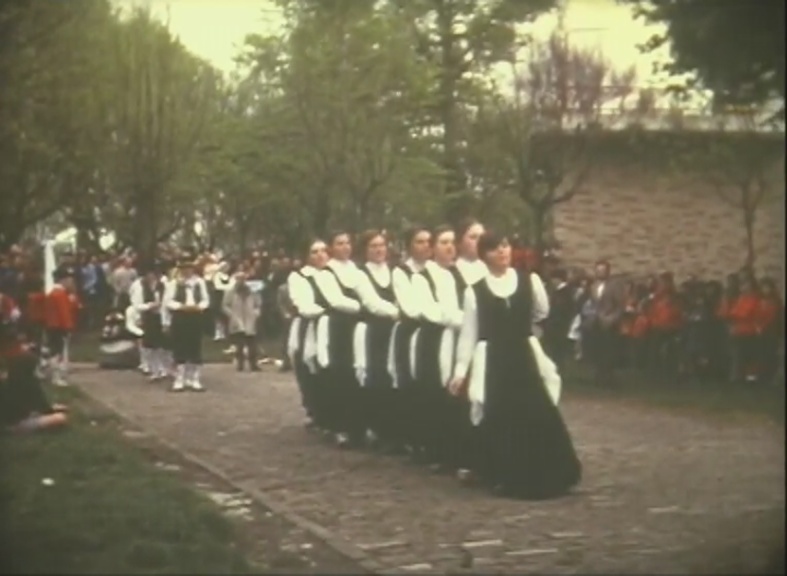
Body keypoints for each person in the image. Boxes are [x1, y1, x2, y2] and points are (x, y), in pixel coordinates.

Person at [451, 230, 581, 500]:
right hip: (496, 361)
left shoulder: (528, 281)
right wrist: (460, 371)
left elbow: (540, 312)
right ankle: (505, 474)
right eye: (495, 249)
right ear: (484, 255)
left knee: (535, 410)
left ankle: (551, 471)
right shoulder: (476, 292)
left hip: (523, 355)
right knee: (501, 415)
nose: (502, 252)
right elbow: (469, 333)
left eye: (505, 246)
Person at [411, 225, 466, 469]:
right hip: (434, 341)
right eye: (444, 242)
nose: (450, 247)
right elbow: (433, 313)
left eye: (453, 242)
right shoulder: (421, 277)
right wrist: (464, 320)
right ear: (432, 248)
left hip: (459, 340)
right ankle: (434, 450)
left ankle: (457, 451)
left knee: (457, 394)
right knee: (433, 393)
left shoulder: (459, 275)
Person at [354, 229, 402, 453]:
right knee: (378, 378)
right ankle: (379, 429)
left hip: (396, 331)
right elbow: (372, 303)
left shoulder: (394, 272)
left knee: (396, 378)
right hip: (376, 331)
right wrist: (399, 312)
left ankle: (396, 429)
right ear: (365, 250)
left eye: (382, 245)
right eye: (373, 246)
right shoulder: (361, 274)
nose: (379, 249)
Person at [387, 226, 429, 453]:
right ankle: (411, 438)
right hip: (411, 331)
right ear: (410, 246)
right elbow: (410, 307)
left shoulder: (437, 271)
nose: (425, 246)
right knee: (409, 382)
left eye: (427, 241)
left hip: (432, 332)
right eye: (419, 242)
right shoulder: (402, 272)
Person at [286, 239, 332, 428]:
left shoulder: (334, 274)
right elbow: (304, 305)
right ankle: (316, 411)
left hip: (333, 326)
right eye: (315, 252)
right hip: (310, 326)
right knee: (309, 367)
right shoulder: (299, 277)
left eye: (324, 250)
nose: (320, 255)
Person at [164, 258, 209, 391]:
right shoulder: (174, 283)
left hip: (196, 316)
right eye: (184, 268)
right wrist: (181, 306)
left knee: (195, 346)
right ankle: (179, 379)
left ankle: (194, 379)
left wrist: (199, 307)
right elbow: (168, 301)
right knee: (180, 347)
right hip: (181, 317)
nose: (187, 271)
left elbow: (206, 299)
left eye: (189, 268)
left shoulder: (200, 283)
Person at [129, 265, 168, 380]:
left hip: (161, 317)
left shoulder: (162, 286)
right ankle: (154, 369)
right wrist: (149, 306)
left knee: (162, 345)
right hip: (149, 318)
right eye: (150, 275)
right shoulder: (140, 287)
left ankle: (163, 368)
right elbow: (136, 304)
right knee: (150, 346)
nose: (152, 277)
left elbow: (167, 300)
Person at [44, 268, 80, 387]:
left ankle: (53, 373)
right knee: (58, 352)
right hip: (59, 327)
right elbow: (64, 313)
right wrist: (68, 327)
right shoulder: (60, 294)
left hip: (53, 326)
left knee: (55, 351)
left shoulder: (55, 293)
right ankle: (56, 376)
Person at [222, 267, 262, 372]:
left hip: (250, 320)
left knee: (252, 345)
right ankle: (240, 364)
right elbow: (225, 305)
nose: (241, 281)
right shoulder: (230, 292)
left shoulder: (252, 291)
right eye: (239, 279)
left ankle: (253, 364)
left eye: (243, 279)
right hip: (237, 320)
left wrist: (256, 313)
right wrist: (231, 315)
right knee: (239, 345)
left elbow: (258, 304)